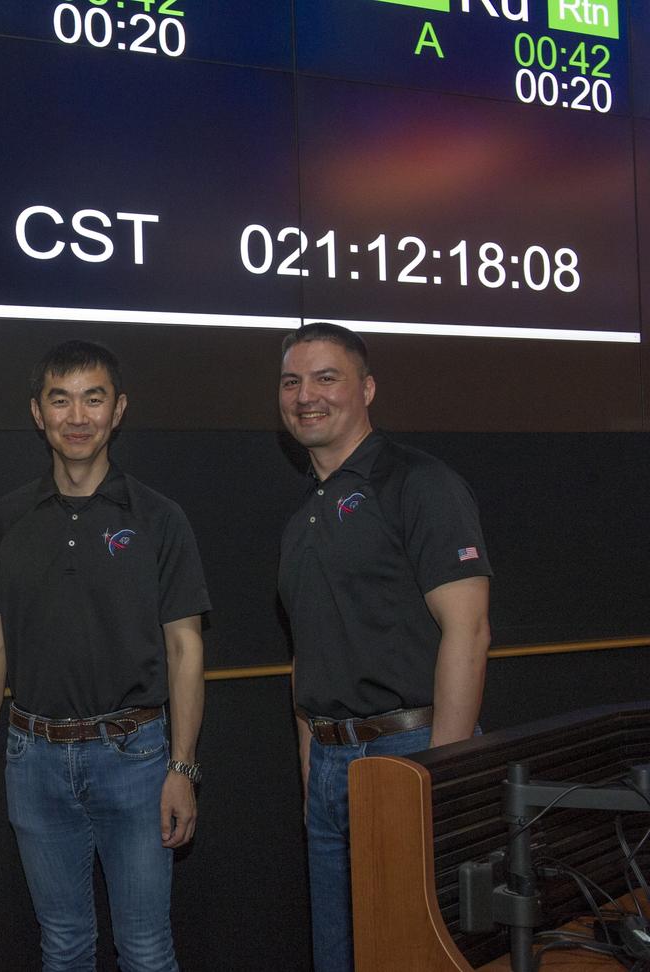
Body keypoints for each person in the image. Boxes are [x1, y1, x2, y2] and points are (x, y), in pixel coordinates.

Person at [0, 340, 211, 972]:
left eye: (93, 399)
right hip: (33, 760)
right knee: (63, 947)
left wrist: (183, 767)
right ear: (38, 414)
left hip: (137, 760)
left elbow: (186, 647)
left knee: (147, 950)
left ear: (117, 410)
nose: (77, 416)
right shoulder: (5, 519)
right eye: (60, 399)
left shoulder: (160, 518)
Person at [276, 322, 493, 972]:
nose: (306, 395)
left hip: (410, 755)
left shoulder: (420, 484)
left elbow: (469, 630)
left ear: (366, 388)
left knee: (416, 957)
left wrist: (442, 775)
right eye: (291, 382)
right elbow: (306, 654)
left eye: (325, 377)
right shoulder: (301, 519)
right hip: (332, 772)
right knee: (340, 959)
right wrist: (313, 769)